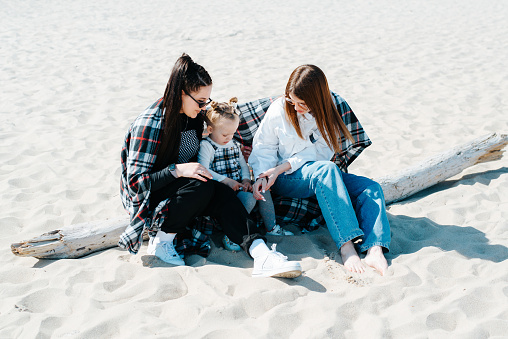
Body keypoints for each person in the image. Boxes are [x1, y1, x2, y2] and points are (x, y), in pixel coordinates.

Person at [117, 53, 302, 278]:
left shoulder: (194, 115)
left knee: (223, 193)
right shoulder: (151, 124)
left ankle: (261, 253)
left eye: (208, 101)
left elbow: (223, 126)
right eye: (201, 101)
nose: (204, 107)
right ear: (181, 94)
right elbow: (136, 183)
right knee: (202, 186)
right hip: (152, 192)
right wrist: (178, 170)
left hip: (188, 184)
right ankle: (162, 240)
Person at [249, 64, 391, 275]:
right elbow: (263, 148)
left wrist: (284, 166)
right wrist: (265, 175)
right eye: (292, 101)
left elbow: (320, 154)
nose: (296, 108)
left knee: (369, 188)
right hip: (283, 178)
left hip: (313, 172)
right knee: (327, 170)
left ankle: (374, 248)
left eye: (302, 104)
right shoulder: (279, 109)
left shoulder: (329, 112)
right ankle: (347, 246)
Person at [198, 98, 293, 251]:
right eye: (224, 135)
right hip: (221, 191)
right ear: (210, 130)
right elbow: (203, 168)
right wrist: (227, 181)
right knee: (246, 199)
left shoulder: (234, 144)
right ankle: (232, 234)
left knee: (262, 188)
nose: (229, 138)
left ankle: (271, 227)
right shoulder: (207, 145)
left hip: (239, 186)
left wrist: (246, 180)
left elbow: (243, 165)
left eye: (232, 133)